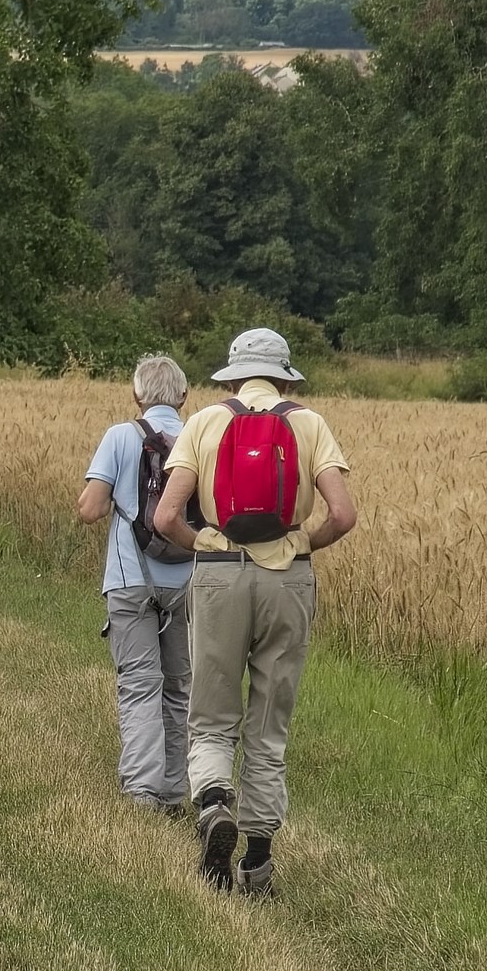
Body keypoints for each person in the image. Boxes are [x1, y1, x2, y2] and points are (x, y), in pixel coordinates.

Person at [150, 325, 354, 898]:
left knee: (211, 712)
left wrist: (205, 544)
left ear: (234, 376)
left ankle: (215, 804)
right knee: (269, 721)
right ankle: (258, 863)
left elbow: (165, 517)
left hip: (220, 575)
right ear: (285, 376)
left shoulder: (205, 422)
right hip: (288, 578)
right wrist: (302, 543)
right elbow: (343, 515)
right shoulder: (309, 423)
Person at [75, 352, 196, 813]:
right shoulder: (200, 437)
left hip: (130, 579)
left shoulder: (121, 435)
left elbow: (90, 510)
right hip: (189, 580)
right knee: (179, 687)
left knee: (140, 684)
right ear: (184, 395)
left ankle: (142, 792)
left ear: (136, 395)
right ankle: (174, 790)